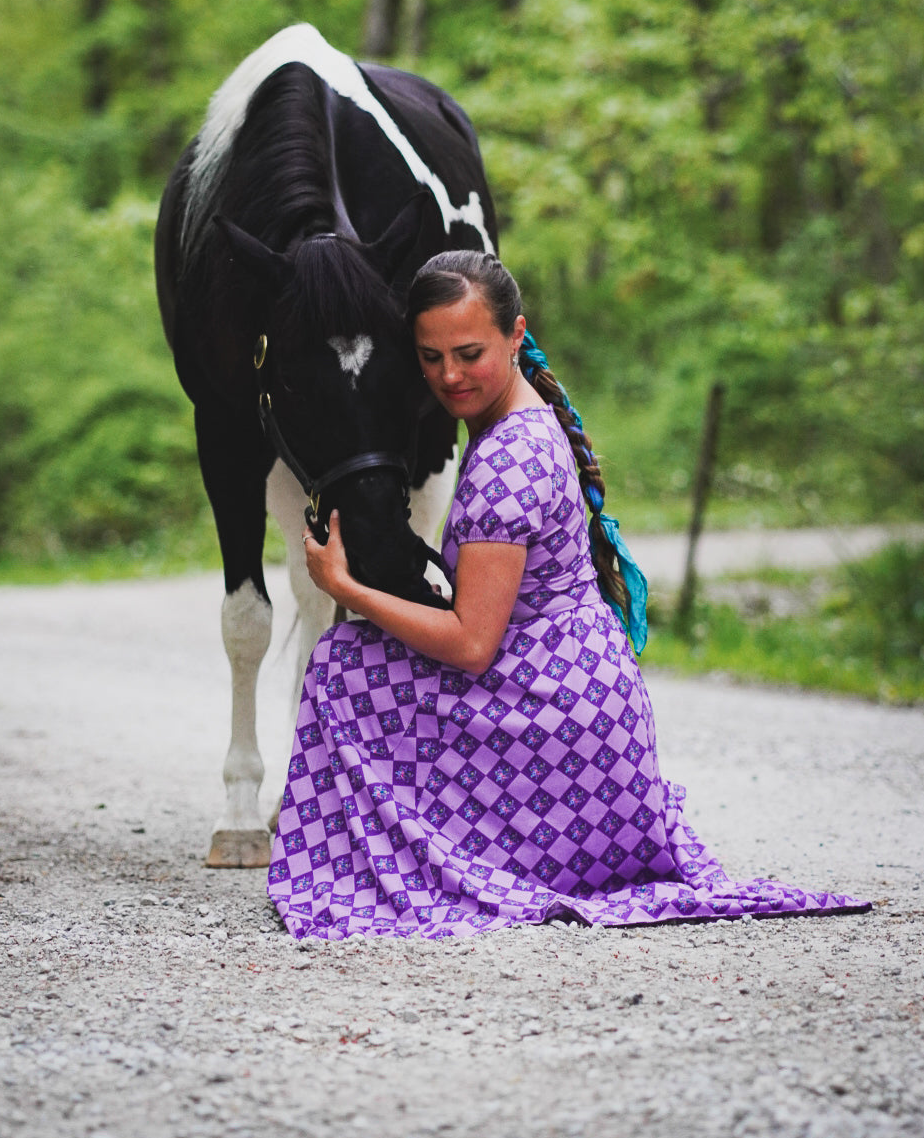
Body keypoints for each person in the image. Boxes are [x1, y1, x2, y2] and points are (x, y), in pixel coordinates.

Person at [266, 251, 869, 940]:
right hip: (587, 712)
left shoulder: (507, 461)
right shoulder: (520, 421)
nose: (450, 376)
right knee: (367, 658)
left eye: (469, 353)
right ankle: (413, 843)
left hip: (557, 727)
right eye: (429, 358)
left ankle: (393, 862)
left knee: (346, 662)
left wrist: (344, 587)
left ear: (516, 335)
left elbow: (470, 645)